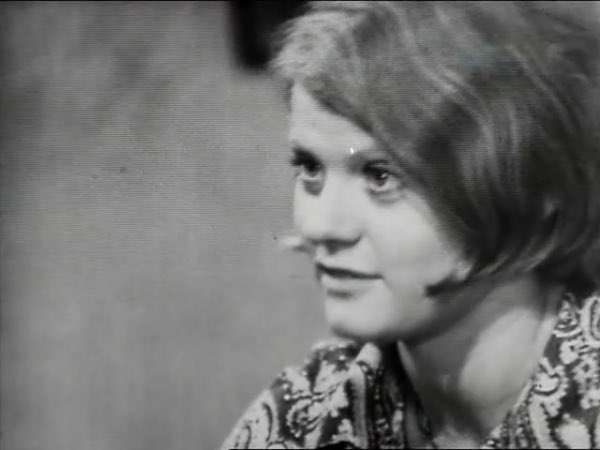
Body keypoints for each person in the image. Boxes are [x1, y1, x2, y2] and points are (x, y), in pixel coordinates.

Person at [221, 1, 600, 448]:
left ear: (531, 189)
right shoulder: (302, 416)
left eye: (381, 176)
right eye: (309, 168)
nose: (320, 226)